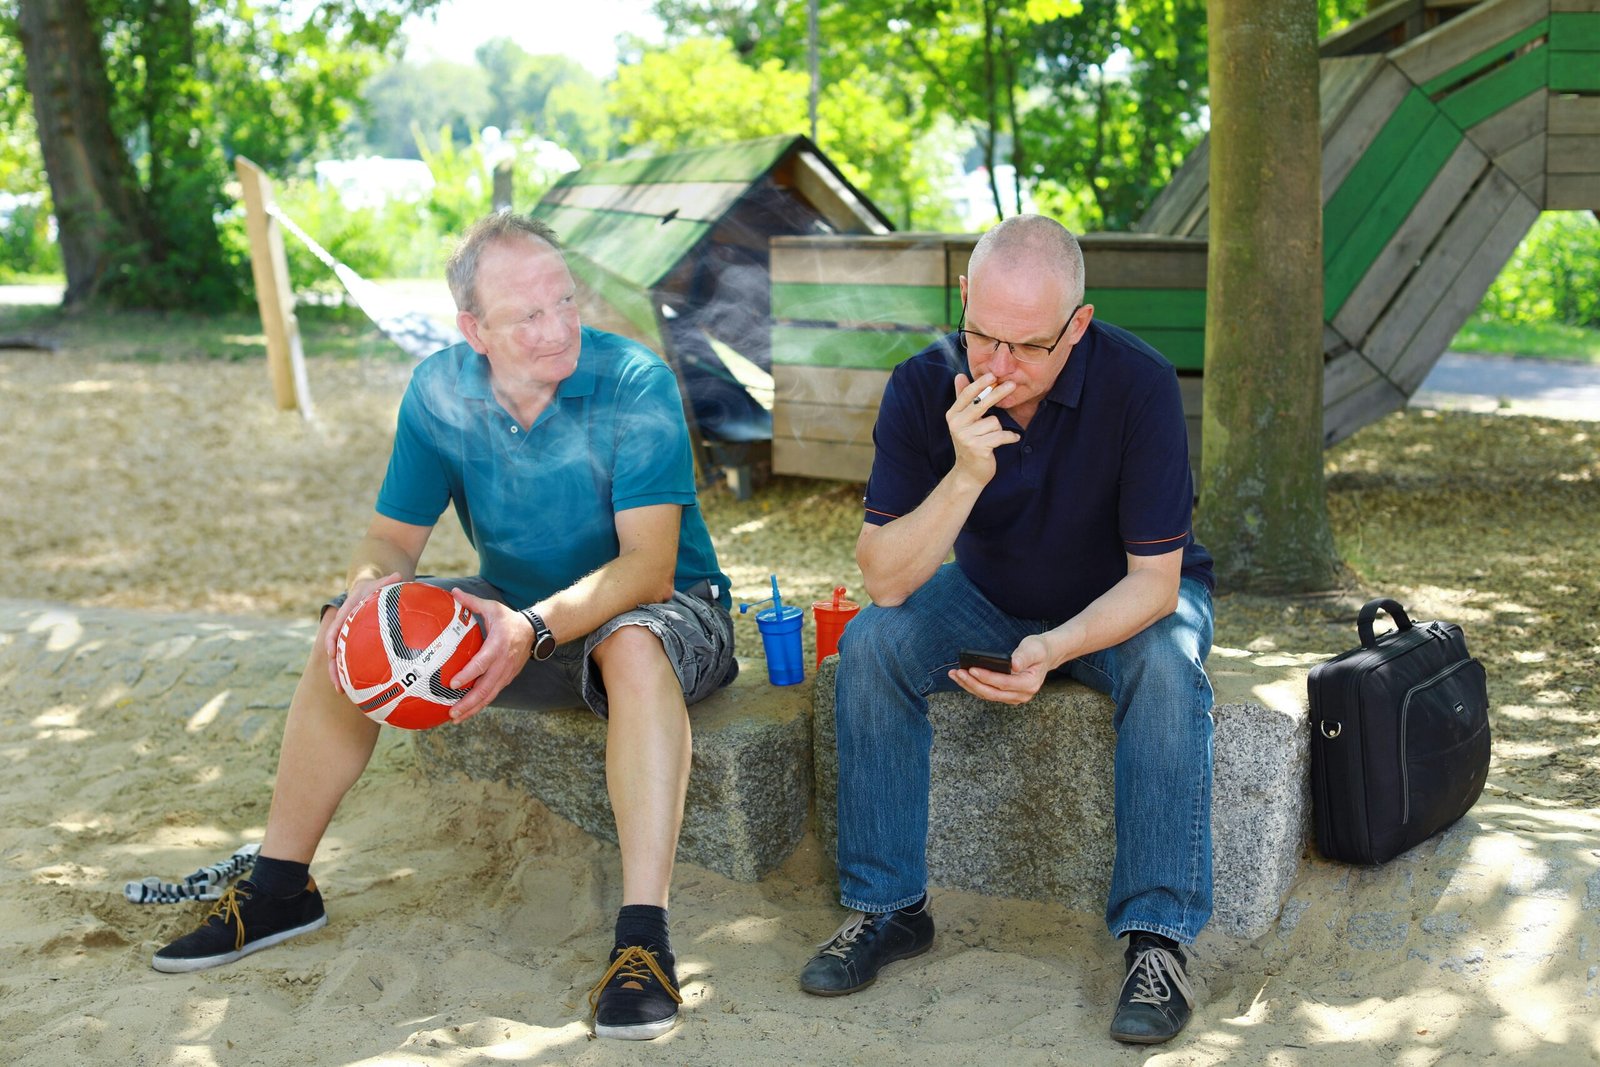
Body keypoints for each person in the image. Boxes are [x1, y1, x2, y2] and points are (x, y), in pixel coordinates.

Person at [151, 211, 737, 1042]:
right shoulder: (438, 389)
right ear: (474, 330)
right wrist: (362, 591)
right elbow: (390, 541)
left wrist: (528, 628)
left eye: (564, 301)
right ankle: (281, 888)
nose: (557, 326)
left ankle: (644, 942)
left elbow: (646, 566)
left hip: (669, 609)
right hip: (514, 604)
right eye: (527, 315)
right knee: (350, 632)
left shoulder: (634, 380)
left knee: (631, 642)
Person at [798, 215, 1215, 1046]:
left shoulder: (1139, 383)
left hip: (1124, 600)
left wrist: (1056, 649)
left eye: (1027, 347)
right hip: (989, 593)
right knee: (871, 647)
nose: (998, 367)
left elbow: (1155, 581)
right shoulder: (924, 385)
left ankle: (1157, 940)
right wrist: (964, 474)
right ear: (962, 299)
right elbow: (883, 578)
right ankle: (890, 908)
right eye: (982, 335)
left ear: (1079, 325)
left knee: (1169, 669)